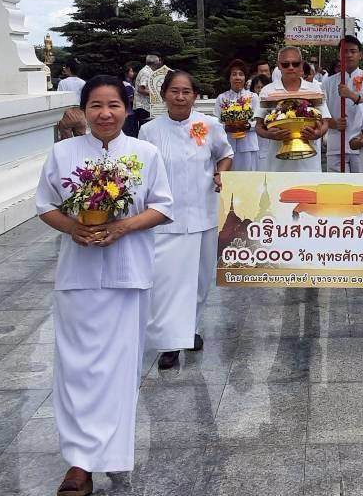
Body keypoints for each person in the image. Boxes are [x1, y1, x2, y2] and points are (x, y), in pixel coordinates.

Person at [35, 76, 173, 496]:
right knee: (76, 368)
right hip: (77, 276)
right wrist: (74, 227)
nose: (105, 113)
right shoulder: (62, 154)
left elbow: (163, 207)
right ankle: (79, 463)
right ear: (85, 109)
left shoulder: (144, 153)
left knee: (117, 368)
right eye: (96, 105)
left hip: (127, 273)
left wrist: (122, 227)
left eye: (113, 104)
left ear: (127, 108)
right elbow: (45, 205)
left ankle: (108, 452)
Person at [139, 71, 233, 370]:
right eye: (174, 91)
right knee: (169, 283)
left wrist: (221, 172)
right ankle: (170, 342)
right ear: (164, 94)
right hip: (165, 220)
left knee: (200, 281)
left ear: (194, 95)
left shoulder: (208, 126)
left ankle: (188, 330)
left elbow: (225, 154)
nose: (180, 97)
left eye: (186, 92)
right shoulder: (149, 131)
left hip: (203, 214)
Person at [256, 46, 330, 173]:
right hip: (278, 164)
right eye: (285, 64)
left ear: (301, 65)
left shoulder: (315, 89)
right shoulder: (267, 91)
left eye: (295, 64)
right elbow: (258, 126)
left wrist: (317, 133)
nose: (291, 67)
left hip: (309, 164)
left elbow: (325, 122)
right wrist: (270, 134)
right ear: (278, 66)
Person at [323, 36, 363, 172]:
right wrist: (332, 123)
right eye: (344, 51)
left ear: (360, 55)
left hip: (361, 142)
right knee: (337, 187)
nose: (349, 55)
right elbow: (320, 111)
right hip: (336, 143)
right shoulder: (328, 82)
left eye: (353, 51)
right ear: (339, 55)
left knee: (361, 185)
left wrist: (352, 95)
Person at [216, 59, 261, 172]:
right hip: (228, 145)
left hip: (249, 145)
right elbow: (216, 122)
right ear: (229, 77)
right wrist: (227, 127)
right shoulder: (222, 98)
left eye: (241, 74)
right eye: (234, 74)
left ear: (245, 78)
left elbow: (259, 121)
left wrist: (248, 126)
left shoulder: (253, 97)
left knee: (249, 178)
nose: (237, 77)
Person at [134, 54, 171, 123]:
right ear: (156, 63)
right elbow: (141, 89)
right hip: (144, 107)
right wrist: (156, 94)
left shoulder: (147, 71)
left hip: (144, 106)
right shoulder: (146, 73)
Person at [121, 63, 140, 136]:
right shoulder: (127, 85)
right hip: (129, 113)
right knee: (130, 133)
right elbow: (130, 99)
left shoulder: (130, 83)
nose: (133, 73)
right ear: (126, 73)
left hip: (131, 112)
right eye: (131, 71)